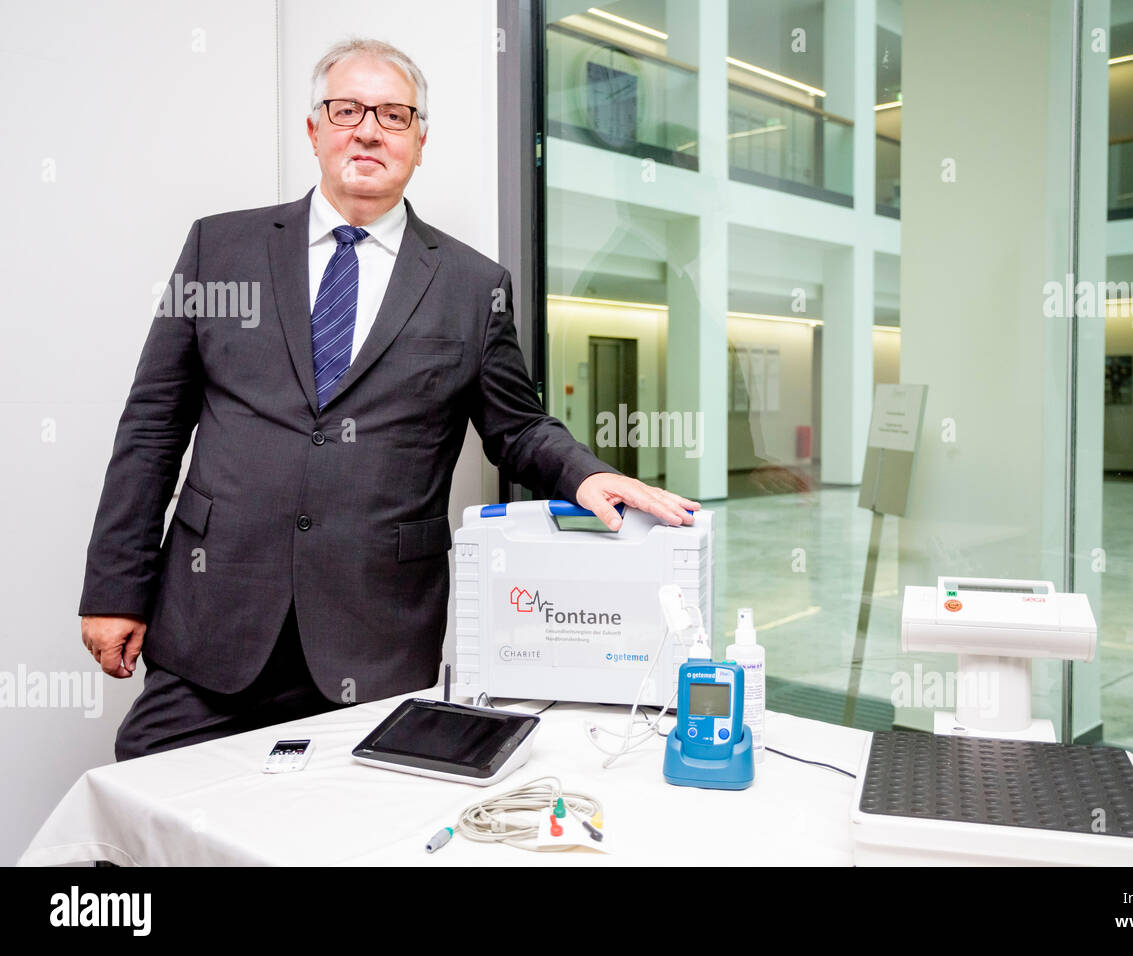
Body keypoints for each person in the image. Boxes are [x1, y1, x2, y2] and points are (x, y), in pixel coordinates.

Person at [79, 38, 700, 760]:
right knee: (151, 816)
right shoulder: (220, 250)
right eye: (347, 109)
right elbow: (152, 427)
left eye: (394, 115)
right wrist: (115, 588)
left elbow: (517, 427)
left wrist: (585, 473)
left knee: (344, 836)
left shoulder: (473, 286)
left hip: (372, 640)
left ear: (420, 141)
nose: (369, 129)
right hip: (213, 624)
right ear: (314, 130)